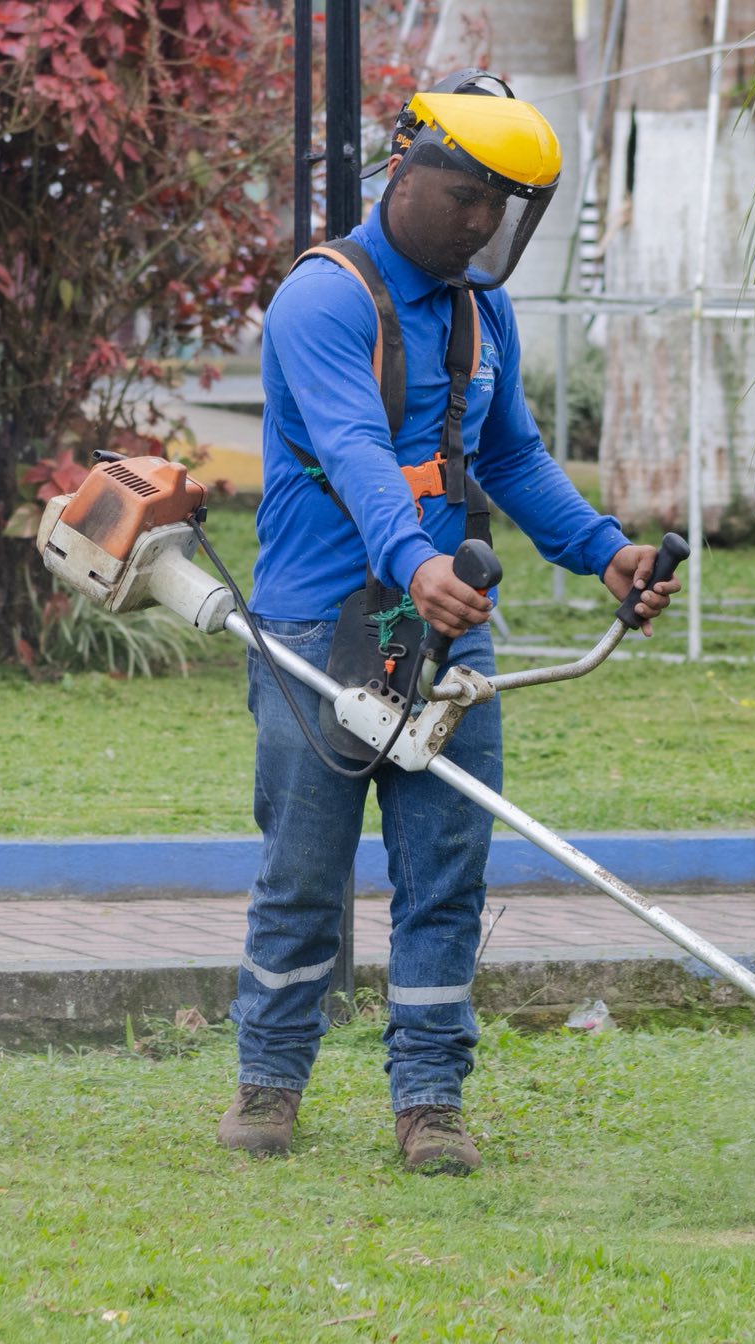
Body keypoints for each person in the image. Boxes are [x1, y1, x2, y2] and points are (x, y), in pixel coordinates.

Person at [219, 72, 679, 1175]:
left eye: (503, 206)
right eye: (466, 195)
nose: (481, 223)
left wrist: (604, 550)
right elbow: (354, 451)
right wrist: (416, 560)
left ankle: (429, 1101)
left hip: (448, 635)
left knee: (445, 878)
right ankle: (268, 1082)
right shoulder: (323, 298)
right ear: (403, 169)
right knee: (303, 877)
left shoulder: (482, 309)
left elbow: (510, 456)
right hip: (316, 631)